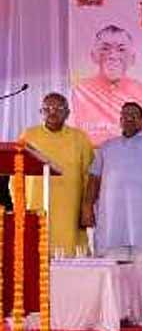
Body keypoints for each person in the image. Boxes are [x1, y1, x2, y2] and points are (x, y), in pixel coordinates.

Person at [81, 102, 142, 260]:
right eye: (125, 115)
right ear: (120, 120)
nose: (129, 118)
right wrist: (87, 207)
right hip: (112, 222)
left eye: (134, 115)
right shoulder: (107, 147)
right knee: (111, 268)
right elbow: (94, 179)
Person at [18, 93, 94, 256]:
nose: (52, 112)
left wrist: (87, 207)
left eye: (58, 108)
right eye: (47, 108)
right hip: (36, 208)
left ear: (68, 113)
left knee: (70, 259)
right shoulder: (28, 136)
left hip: (70, 211)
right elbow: (16, 176)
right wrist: (19, 205)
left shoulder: (79, 138)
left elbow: (89, 176)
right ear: (41, 112)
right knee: (36, 256)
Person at [71, 25, 142, 146]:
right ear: (93, 56)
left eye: (121, 49)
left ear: (132, 58)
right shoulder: (80, 91)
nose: (113, 56)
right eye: (105, 49)